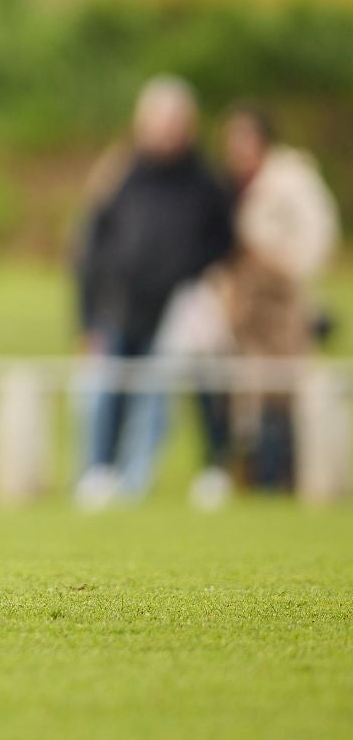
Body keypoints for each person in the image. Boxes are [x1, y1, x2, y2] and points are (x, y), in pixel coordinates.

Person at [71, 76, 234, 509]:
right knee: (107, 390)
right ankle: (99, 472)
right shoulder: (120, 173)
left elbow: (222, 240)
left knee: (178, 393)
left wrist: (193, 275)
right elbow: (89, 249)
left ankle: (198, 471)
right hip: (121, 306)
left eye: (174, 122)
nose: (166, 131)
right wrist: (85, 318)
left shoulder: (203, 182)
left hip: (178, 308)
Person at [210, 103, 340, 496]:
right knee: (249, 395)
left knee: (286, 389)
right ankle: (258, 476)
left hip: (283, 301)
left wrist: (282, 264)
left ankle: (287, 477)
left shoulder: (291, 178)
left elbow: (319, 234)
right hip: (246, 303)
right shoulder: (233, 185)